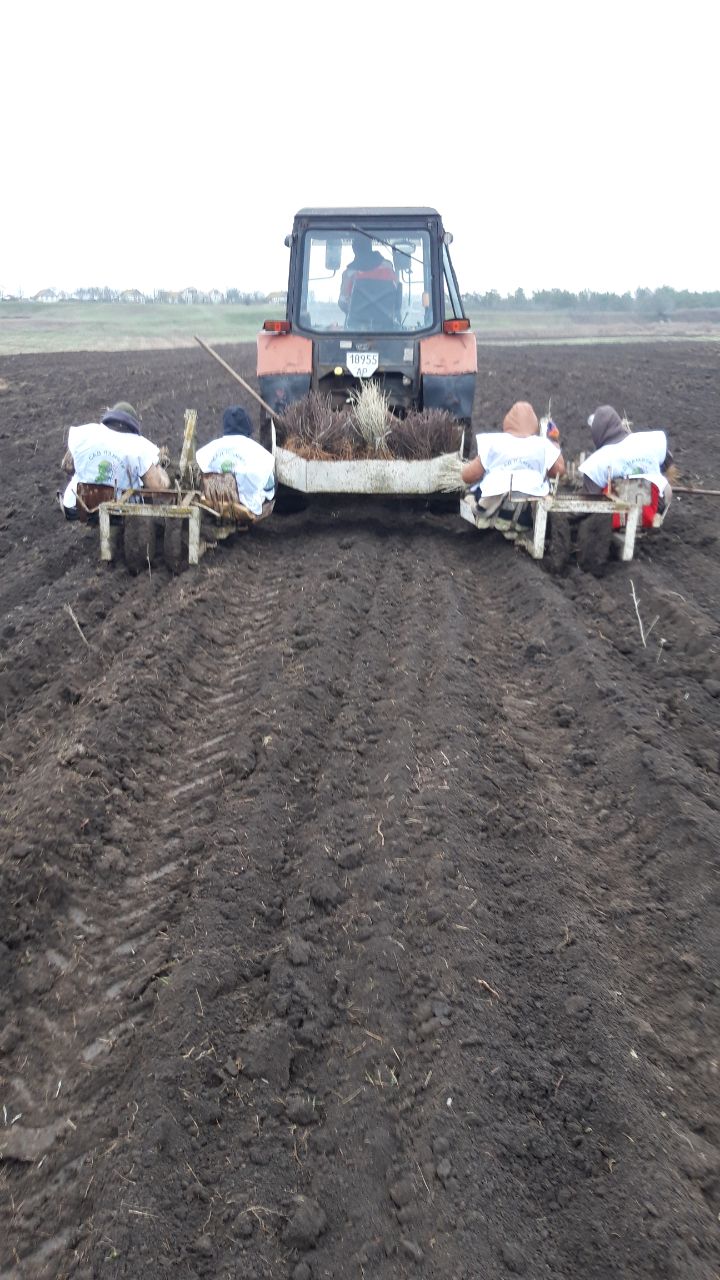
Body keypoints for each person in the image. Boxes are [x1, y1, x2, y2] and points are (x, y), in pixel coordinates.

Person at [61, 401, 170, 520]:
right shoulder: (140, 446)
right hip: (118, 512)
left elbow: (67, 466)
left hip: (77, 506)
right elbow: (158, 488)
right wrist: (159, 467)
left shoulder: (84, 434)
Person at [459, 401, 565, 517]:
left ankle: (482, 506)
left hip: (495, 501)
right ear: (534, 424)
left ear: (507, 421)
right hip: (528, 507)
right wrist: (554, 443)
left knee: (472, 492)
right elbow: (558, 471)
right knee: (537, 497)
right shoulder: (542, 445)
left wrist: (465, 470)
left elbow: (468, 476)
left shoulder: (494, 442)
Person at [579, 404, 673, 525]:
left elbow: (588, 501)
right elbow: (669, 463)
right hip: (651, 508)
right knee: (663, 485)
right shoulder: (650, 440)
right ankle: (655, 518)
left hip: (617, 516)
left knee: (602, 492)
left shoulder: (596, 462)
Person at [195, 407, 275, 517]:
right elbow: (269, 486)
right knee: (271, 480)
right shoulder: (258, 452)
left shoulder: (208, 450)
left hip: (215, 499)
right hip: (247, 504)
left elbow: (201, 467)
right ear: (246, 425)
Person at [338, 235, 400, 321]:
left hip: (356, 328)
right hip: (387, 327)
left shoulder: (349, 274)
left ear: (354, 250)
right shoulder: (388, 269)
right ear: (370, 247)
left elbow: (343, 302)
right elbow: (396, 298)